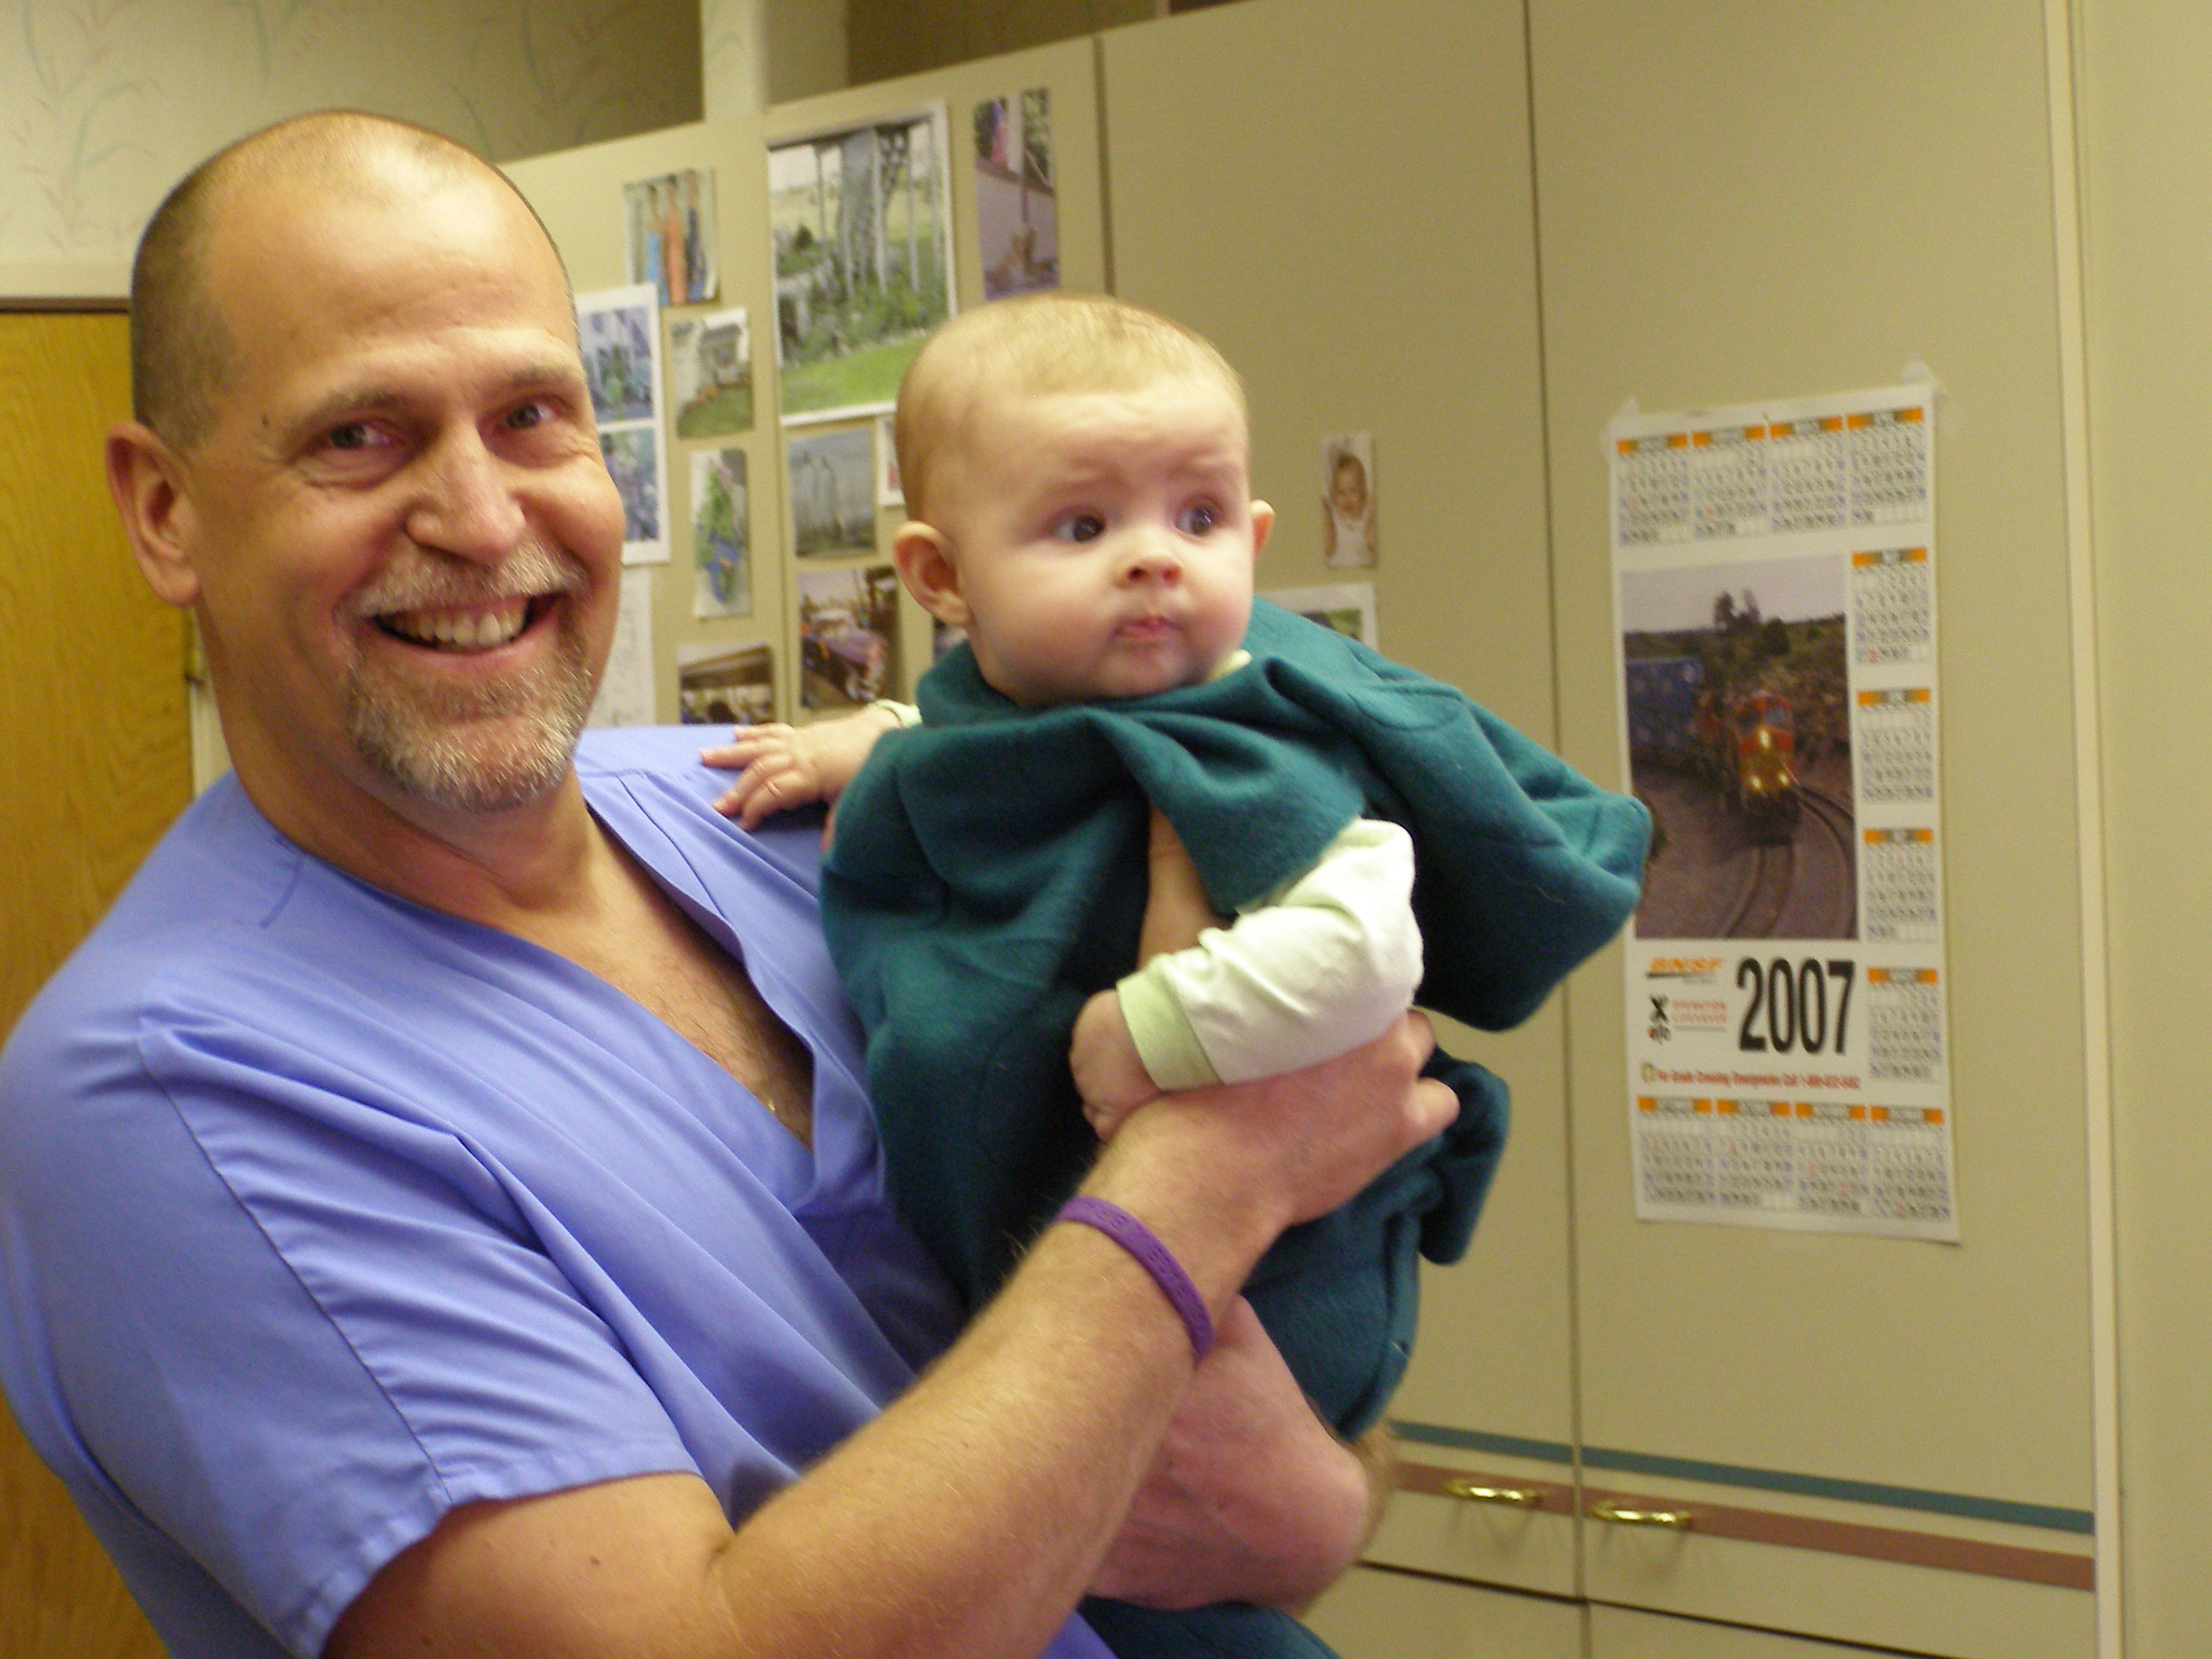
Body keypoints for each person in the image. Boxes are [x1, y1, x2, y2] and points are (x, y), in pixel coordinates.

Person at [0, 113, 1461, 1659]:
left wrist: (1318, 1504)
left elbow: (1268, 1380)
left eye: (532, 417)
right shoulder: (175, 1090)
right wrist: (1210, 1168)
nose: (481, 519)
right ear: (165, 511)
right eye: (359, 435)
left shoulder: (794, 809)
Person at [709, 295, 1649, 1657]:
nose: (1153, 557)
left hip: (1271, 1301)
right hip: (1058, 1314)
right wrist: (882, 737)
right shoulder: (1019, 725)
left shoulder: (1242, 752)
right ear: (939, 576)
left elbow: (1363, 948)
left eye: (1197, 518)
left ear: (1253, 544)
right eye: (1083, 526)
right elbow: (1001, 737)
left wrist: (1149, 1030)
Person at [1320, 449, 1375, 569]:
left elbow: (1372, 545)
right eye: (1341, 492)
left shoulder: (1366, 518)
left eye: (1353, 491)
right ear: (1333, 494)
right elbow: (1327, 549)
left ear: (1364, 493)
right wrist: (1327, 513)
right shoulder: (1333, 518)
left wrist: (1371, 514)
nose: (1347, 499)